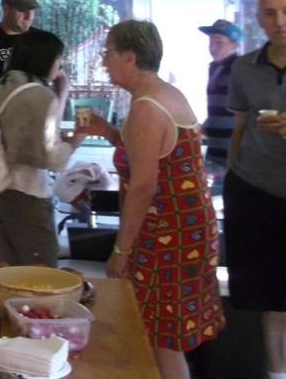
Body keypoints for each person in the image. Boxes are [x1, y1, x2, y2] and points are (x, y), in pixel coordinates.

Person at [86, 19, 224, 379]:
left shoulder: (146, 107)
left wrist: (121, 250)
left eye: (108, 53)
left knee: (161, 337)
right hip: (188, 230)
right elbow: (155, 154)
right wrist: (109, 133)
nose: (104, 61)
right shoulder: (166, 94)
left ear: (129, 57)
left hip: (168, 237)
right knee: (163, 334)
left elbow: (144, 185)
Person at [0, 0, 69, 266]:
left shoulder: (39, 43)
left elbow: (61, 80)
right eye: (23, 11)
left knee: (23, 201)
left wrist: (56, 117)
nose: (28, 17)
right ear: (6, 8)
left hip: (31, 135)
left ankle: (11, 267)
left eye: (32, 11)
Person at [224, 0, 286, 379]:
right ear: (258, 18)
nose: (279, 21)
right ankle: (277, 372)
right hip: (254, 188)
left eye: (285, 11)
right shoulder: (244, 66)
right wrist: (232, 172)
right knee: (269, 295)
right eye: (269, 13)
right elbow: (240, 126)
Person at [0, 29, 86, 266]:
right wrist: (76, 140)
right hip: (28, 194)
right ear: (45, 59)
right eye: (59, 58)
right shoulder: (41, 96)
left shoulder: (3, 88)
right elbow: (53, 160)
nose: (60, 65)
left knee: (8, 269)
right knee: (41, 271)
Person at [197, 18, 241, 170]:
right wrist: (205, 126)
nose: (213, 48)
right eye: (211, 42)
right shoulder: (214, 68)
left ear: (235, 45)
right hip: (215, 148)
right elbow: (217, 107)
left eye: (219, 43)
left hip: (235, 153)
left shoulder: (240, 69)